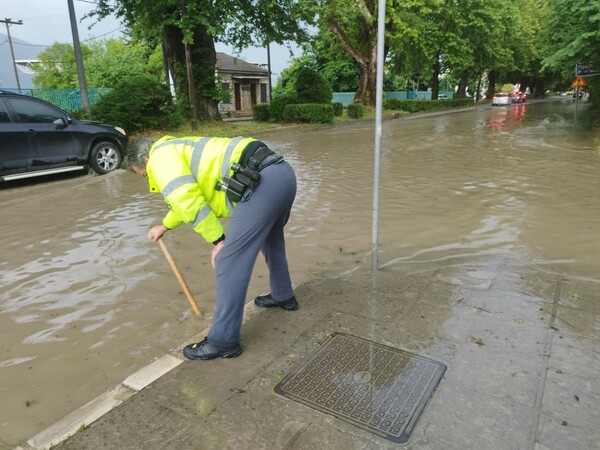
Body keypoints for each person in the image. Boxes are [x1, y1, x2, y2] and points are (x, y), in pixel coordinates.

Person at [130, 135, 298, 361]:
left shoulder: (159, 159)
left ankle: (223, 341)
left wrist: (219, 241)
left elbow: (187, 200)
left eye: (145, 174)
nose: (149, 178)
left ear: (144, 159)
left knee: (228, 261)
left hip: (261, 183)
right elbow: (187, 198)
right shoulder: (175, 146)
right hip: (281, 175)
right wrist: (165, 226)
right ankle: (283, 296)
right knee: (272, 241)